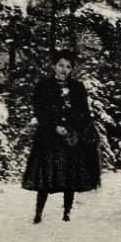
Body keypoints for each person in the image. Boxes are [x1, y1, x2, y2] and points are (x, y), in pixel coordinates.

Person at [21, 50, 101, 223]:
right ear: (53, 66)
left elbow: (83, 112)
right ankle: (38, 214)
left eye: (68, 66)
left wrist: (75, 129)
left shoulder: (77, 87)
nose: (64, 70)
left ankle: (66, 213)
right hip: (49, 137)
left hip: (71, 138)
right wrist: (54, 126)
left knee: (69, 176)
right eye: (61, 65)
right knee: (45, 177)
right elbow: (39, 110)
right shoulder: (43, 86)